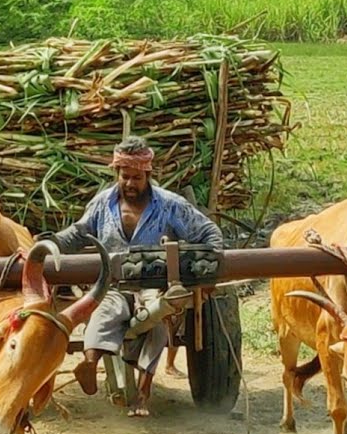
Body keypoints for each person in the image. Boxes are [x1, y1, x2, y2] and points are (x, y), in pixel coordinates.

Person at [45, 135, 223, 417]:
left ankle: (143, 395)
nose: (130, 183)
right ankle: (89, 364)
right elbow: (79, 234)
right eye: (125, 176)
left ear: (148, 174)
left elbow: (209, 233)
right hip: (113, 284)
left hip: (155, 286)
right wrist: (50, 245)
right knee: (104, 311)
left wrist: (211, 264)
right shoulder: (103, 204)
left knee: (157, 323)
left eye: (137, 177)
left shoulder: (170, 205)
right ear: (117, 173)